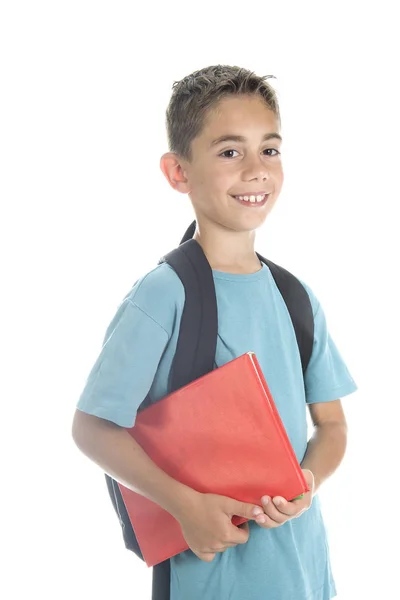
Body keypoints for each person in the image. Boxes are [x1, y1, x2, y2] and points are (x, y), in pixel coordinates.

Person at [72, 65, 358, 600]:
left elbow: (333, 427)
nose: (256, 170)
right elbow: (92, 427)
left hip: (304, 571)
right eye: (230, 152)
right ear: (178, 172)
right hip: (213, 578)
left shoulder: (296, 297)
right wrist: (185, 505)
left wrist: (307, 483)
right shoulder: (164, 294)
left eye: (269, 150)